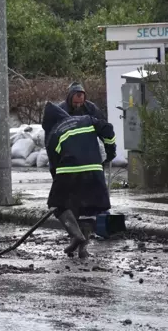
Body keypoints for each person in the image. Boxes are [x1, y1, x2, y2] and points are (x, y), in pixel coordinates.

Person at [41, 101, 116, 259]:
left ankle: (76, 235)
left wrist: (60, 190)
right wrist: (110, 153)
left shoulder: (54, 133)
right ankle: (83, 248)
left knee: (57, 205)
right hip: (94, 170)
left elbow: (54, 166)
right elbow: (108, 129)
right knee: (90, 209)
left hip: (68, 172)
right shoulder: (87, 119)